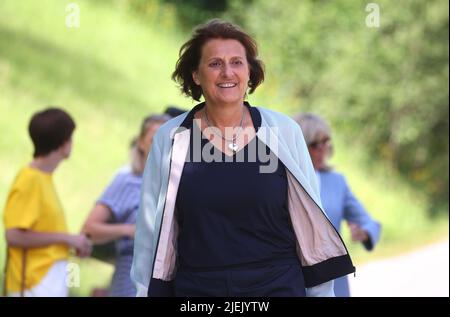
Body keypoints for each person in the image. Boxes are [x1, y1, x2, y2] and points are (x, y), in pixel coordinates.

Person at [131, 19, 355, 297]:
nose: (227, 72)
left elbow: (309, 223)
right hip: (198, 293)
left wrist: (321, 294)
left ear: (250, 72)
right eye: (214, 63)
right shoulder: (172, 137)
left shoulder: (281, 132)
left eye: (237, 62)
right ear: (196, 75)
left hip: (278, 288)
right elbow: (149, 230)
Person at [3, 108, 92, 297]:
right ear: (62, 143)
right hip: (33, 283)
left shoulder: (43, 178)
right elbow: (13, 235)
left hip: (46, 281)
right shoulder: (30, 180)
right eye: (71, 137)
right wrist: (67, 238)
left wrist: (72, 242)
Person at [293, 113, 381, 297]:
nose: (323, 149)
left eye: (326, 141)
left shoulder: (337, 182)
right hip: (293, 282)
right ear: (299, 146)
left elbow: (369, 223)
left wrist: (364, 233)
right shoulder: (283, 181)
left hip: (334, 284)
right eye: (316, 144)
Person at [82, 114, 170, 297]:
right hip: (128, 287)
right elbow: (88, 230)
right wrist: (129, 230)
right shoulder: (128, 181)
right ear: (140, 143)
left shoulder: (179, 185)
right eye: (154, 139)